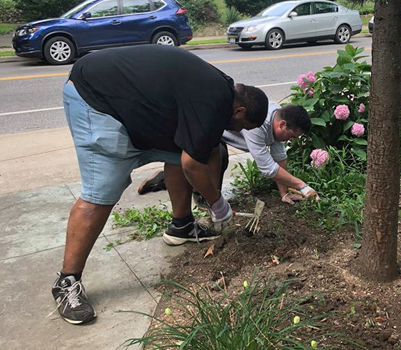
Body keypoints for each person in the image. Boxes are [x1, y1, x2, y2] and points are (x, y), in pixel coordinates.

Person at [52, 45, 268, 325]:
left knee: (179, 154)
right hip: (96, 97)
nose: (238, 132)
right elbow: (193, 163)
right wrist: (218, 204)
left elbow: (206, 148)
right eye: (243, 126)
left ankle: (182, 225)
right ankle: (67, 281)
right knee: (101, 192)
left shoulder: (222, 90)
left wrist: (213, 198)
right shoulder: (214, 102)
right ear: (239, 110)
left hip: (125, 95)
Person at [138, 102, 319, 205]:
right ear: (282, 125)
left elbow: (279, 159)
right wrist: (303, 186)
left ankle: (165, 179)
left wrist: (284, 193)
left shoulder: (281, 117)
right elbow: (268, 169)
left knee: (212, 165)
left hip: (220, 137)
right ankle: (199, 195)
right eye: (292, 136)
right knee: (218, 160)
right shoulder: (260, 124)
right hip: (210, 135)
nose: (290, 140)